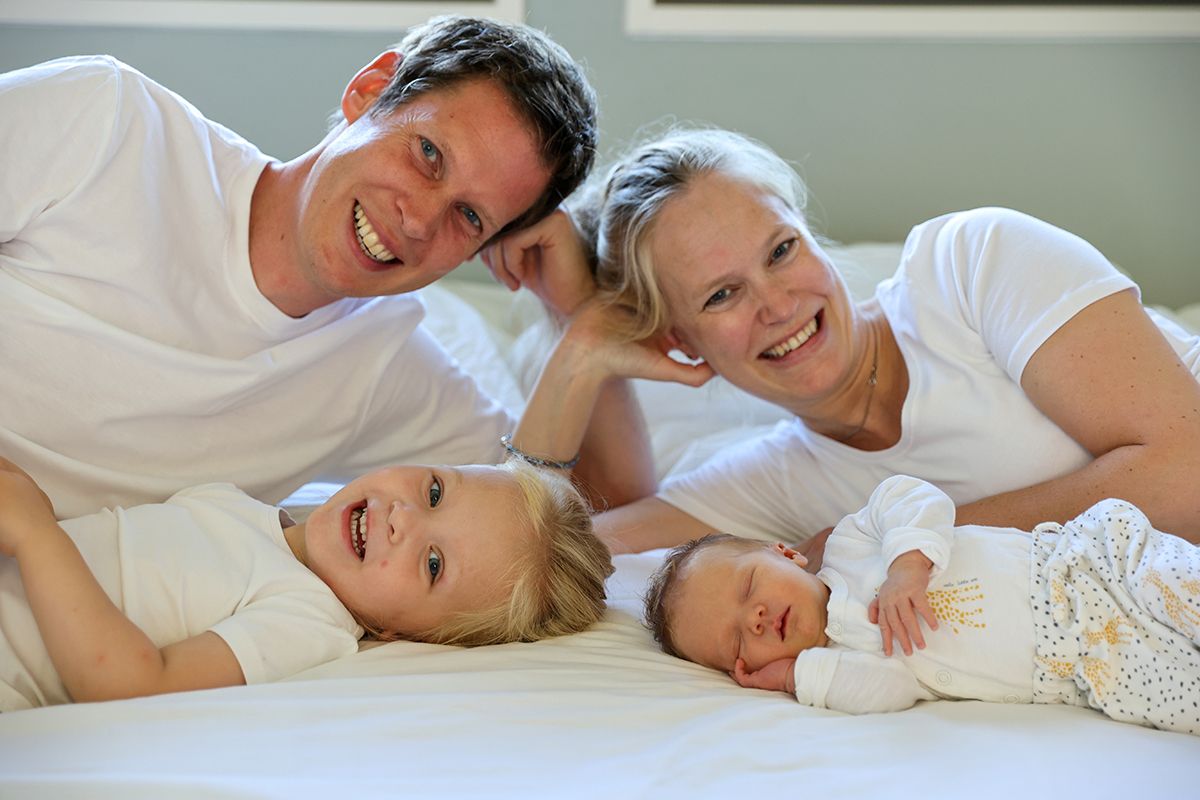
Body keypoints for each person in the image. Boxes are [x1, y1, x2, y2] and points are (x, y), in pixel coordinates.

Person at [0, 15, 627, 521]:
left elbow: (585, 512)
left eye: (468, 218)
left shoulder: (381, 364)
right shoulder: (108, 122)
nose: (417, 222)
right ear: (370, 91)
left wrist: (583, 321)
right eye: (428, 153)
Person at [483, 127, 1200, 557]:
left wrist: (887, 538)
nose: (777, 304)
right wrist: (576, 336)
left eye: (781, 250)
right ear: (682, 343)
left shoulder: (971, 263)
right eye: (721, 295)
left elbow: (1187, 474)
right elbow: (535, 555)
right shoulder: (774, 486)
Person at [0, 453, 613, 711]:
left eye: (433, 565)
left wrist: (34, 531)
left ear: (403, 634)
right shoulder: (240, 506)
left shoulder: (307, 620)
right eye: (433, 492)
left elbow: (131, 683)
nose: (404, 519)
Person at [641, 475, 1200, 735]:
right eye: (739, 640)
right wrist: (796, 676)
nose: (757, 618)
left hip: (1083, 572)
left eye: (747, 588)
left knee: (1182, 587)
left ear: (785, 553)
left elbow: (911, 496)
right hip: (1091, 669)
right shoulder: (849, 658)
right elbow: (890, 692)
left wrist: (907, 563)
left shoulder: (854, 546)